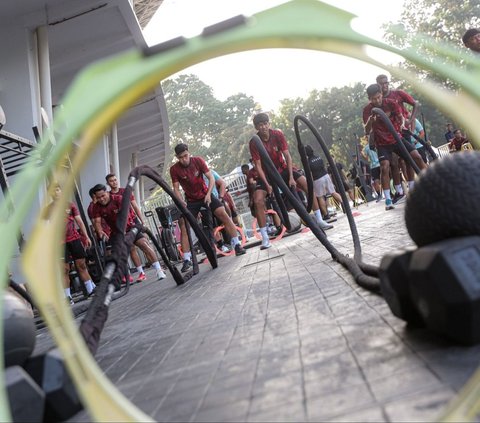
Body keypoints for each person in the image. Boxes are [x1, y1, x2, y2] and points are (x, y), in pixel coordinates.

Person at [248, 112, 332, 250]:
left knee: (305, 183)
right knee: (257, 200)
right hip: (267, 173)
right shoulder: (254, 142)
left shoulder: (277, 134)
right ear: (256, 127)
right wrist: (268, 185)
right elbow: (257, 165)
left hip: (282, 169)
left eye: (265, 124)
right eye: (260, 125)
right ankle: (264, 238)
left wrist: (292, 177)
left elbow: (287, 155)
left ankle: (320, 219)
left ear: (269, 124)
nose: (263, 127)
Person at [169, 143, 246, 258]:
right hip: (191, 201)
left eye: (185, 156)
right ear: (177, 157)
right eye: (180, 158)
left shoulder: (198, 161)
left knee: (223, 214)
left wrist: (209, 194)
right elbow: (175, 189)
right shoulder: (174, 169)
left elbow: (211, 178)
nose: (184, 159)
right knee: (184, 224)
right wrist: (182, 203)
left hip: (206, 195)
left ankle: (237, 245)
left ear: (188, 152)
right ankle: (186, 259)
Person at [363, 83, 427, 211]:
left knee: (416, 156)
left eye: (378, 97)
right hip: (382, 144)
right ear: (369, 99)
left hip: (397, 138)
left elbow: (401, 117)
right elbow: (366, 130)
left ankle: (432, 179)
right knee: (385, 167)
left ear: (381, 94)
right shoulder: (367, 110)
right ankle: (388, 199)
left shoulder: (391, 103)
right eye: (373, 99)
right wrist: (370, 121)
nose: (376, 101)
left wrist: (402, 124)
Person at [91, 184, 167, 282]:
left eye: (103, 196)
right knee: (113, 253)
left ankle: (159, 269)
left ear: (107, 192)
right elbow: (97, 222)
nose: (101, 199)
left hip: (130, 227)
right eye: (98, 198)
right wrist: (100, 232)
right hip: (116, 232)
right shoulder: (96, 207)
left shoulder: (118, 199)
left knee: (143, 244)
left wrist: (132, 227)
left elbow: (125, 215)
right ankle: (131, 274)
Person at [42, 183, 96, 305]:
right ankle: (67, 297)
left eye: (58, 190)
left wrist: (86, 236)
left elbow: (80, 222)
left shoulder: (70, 205)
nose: (56, 193)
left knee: (81, 265)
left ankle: (91, 290)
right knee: (64, 270)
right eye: (53, 191)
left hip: (74, 239)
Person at [304, 145, 343, 218]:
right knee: (333, 192)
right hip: (326, 175)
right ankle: (344, 204)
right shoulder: (319, 158)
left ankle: (326, 214)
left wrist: (311, 184)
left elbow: (310, 174)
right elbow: (324, 167)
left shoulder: (308, 162)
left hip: (317, 179)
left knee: (320, 197)